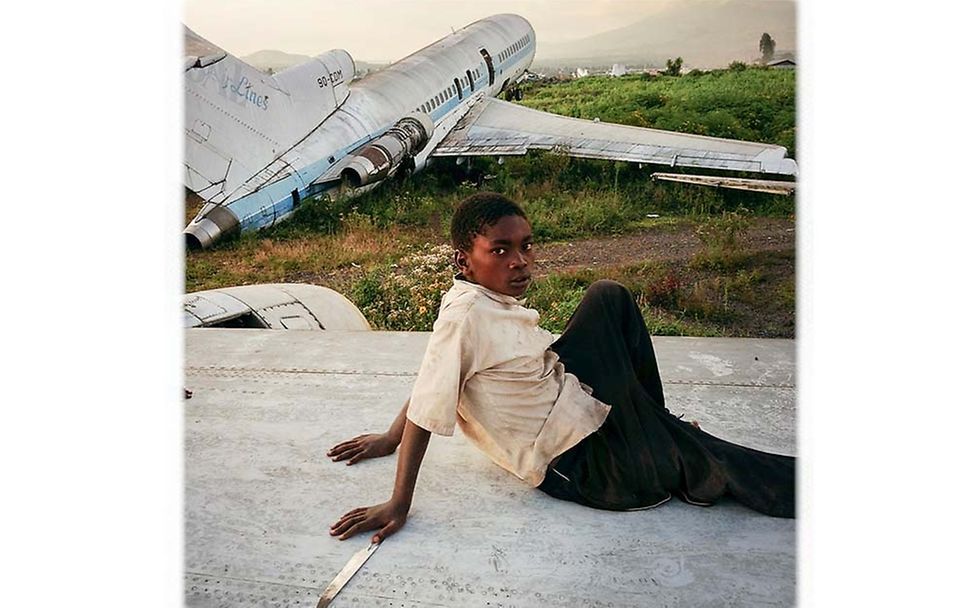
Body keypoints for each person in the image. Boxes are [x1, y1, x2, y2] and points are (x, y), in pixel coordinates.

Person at [328, 193, 795, 543]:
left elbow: (437, 376)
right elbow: (431, 400)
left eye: (527, 246)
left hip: (566, 401)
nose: (521, 262)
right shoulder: (465, 315)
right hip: (578, 462)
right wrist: (398, 502)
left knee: (607, 297)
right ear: (463, 260)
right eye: (500, 250)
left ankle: (655, 426)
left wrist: (388, 437)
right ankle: (664, 441)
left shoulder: (484, 301)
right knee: (721, 460)